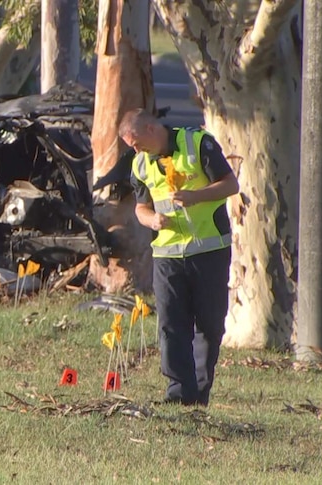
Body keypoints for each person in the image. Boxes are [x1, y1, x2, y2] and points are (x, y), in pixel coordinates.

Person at [118, 108, 239, 406]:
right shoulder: (140, 165)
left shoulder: (197, 143)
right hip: (167, 254)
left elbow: (230, 184)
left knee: (209, 325)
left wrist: (195, 196)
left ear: (150, 128)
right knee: (171, 323)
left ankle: (199, 393)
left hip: (208, 250)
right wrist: (151, 220)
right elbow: (140, 208)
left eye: (135, 142)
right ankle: (178, 393)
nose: (134, 150)